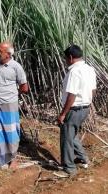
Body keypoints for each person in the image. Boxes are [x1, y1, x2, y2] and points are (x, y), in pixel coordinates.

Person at [56, 44, 96, 177]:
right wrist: (88, 102)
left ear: (71, 57)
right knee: (72, 134)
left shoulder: (74, 71)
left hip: (74, 109)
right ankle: (83, 157)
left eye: (66, 58)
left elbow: (71, 95)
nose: (65, 61)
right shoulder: (89, 69)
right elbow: (93, 90)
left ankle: (69, 167)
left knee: (66, 137)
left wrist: (63, 113)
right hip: (85, 108)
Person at [0, 41, 28, 169]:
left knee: (10, 131)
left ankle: (12, 159)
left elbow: (24, 87)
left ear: (8, 54)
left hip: (9, 103)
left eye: (0, 51)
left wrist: (14, 95)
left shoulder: (16, 67)